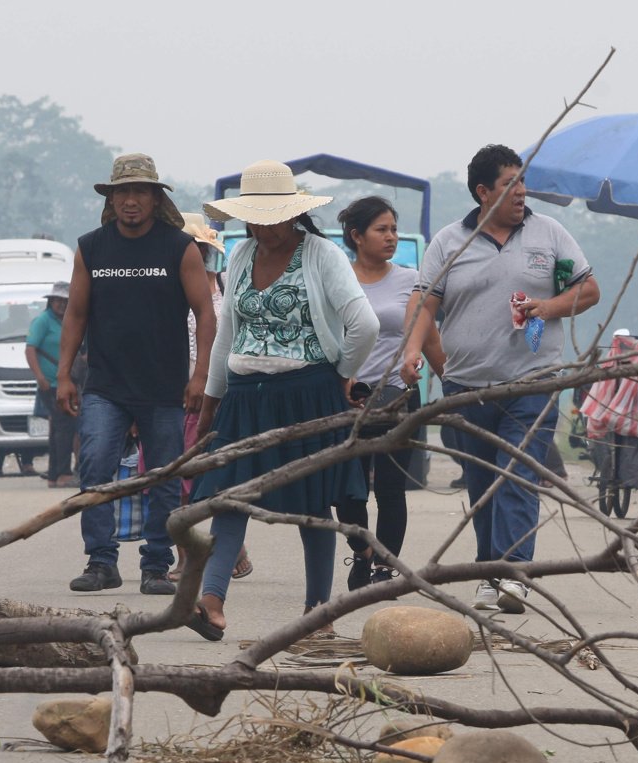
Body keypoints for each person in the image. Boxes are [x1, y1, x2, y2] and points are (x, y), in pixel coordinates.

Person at [400, 143, 600, 614]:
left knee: (518, 473)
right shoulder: (451, 242)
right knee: (482, 481)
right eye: (510, 184)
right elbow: (425, 303)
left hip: (532, 382)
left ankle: (514, 572)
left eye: (523, 183)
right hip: (466, 386)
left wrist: (546, 307)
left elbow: (587, 289)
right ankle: (487, 570)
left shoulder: (549, 235)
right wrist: (412, 351)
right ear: (482, 191)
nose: (521, 193)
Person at [189, 159, 380, 641]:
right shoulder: (240, 255)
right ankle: (211, 601)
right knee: (230, 499)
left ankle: (319, 615)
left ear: (293, 213)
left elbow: (365, 324)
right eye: (254, 217)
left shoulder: (321, 255)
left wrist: (341, 375)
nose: (264, 227)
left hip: (308, 394)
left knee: (313, 505)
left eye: (273, 217)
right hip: (245, 398)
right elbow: (227, 335)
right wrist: (212, 401)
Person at [55, 153, 217, 595]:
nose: (131, 201)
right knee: (95, 468)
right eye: (122, 192)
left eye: (140, 192)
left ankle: (156, 565)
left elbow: (205, 313)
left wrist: (200, 375)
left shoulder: (178, 247)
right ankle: (101, 561)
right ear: (111, 198)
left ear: (155, 198)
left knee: (163, 477)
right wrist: (64, 374)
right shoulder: (92, 247)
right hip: (105, 387)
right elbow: (76, 314)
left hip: (164, 388)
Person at [333, 196, 445, 590]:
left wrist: (452, 382)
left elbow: (428, 337)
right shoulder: (338, 279)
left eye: (394, 229)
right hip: (347, 399)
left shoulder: (410, 280)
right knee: (347, 490)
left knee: (392, 488)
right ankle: (362, 550)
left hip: (397, 398)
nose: (391, 237)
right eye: (382, 229)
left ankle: (384, 566)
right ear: (356, 236)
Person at [173, 213, 252, 583]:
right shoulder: (170, 289)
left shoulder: (223, 284)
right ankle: (186, 557)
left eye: (198, 246)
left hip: (220, 394)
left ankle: (230, 545)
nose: (195, 251)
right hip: (177, 395)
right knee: (179, 480)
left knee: (215, 475)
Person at [25, 280, 78, 487]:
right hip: (51, 384)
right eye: (57, 300)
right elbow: (30, 349)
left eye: (65, 301)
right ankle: (63, 473)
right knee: (65, 427)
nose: (61, 304)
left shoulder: (67, 320)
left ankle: (55, 475)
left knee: (59, 428)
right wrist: (40, 378)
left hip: (65, 383)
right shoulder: (43, 321)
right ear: (51, 302)